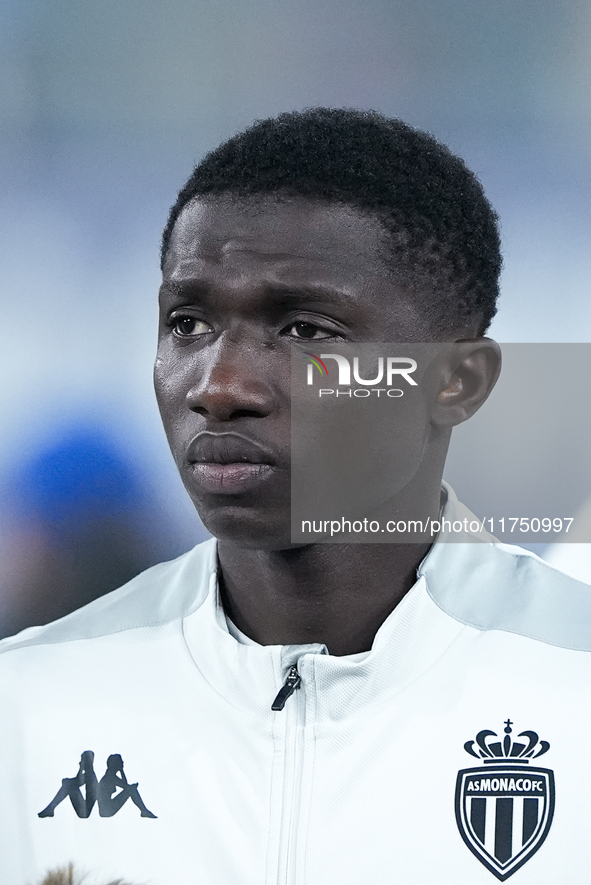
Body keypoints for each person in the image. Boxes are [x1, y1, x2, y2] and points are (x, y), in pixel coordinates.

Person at [1, 108, 590, 884]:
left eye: (309, 331)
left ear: (457, 381)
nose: (220, 386)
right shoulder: (27, 704)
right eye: (187, 322)